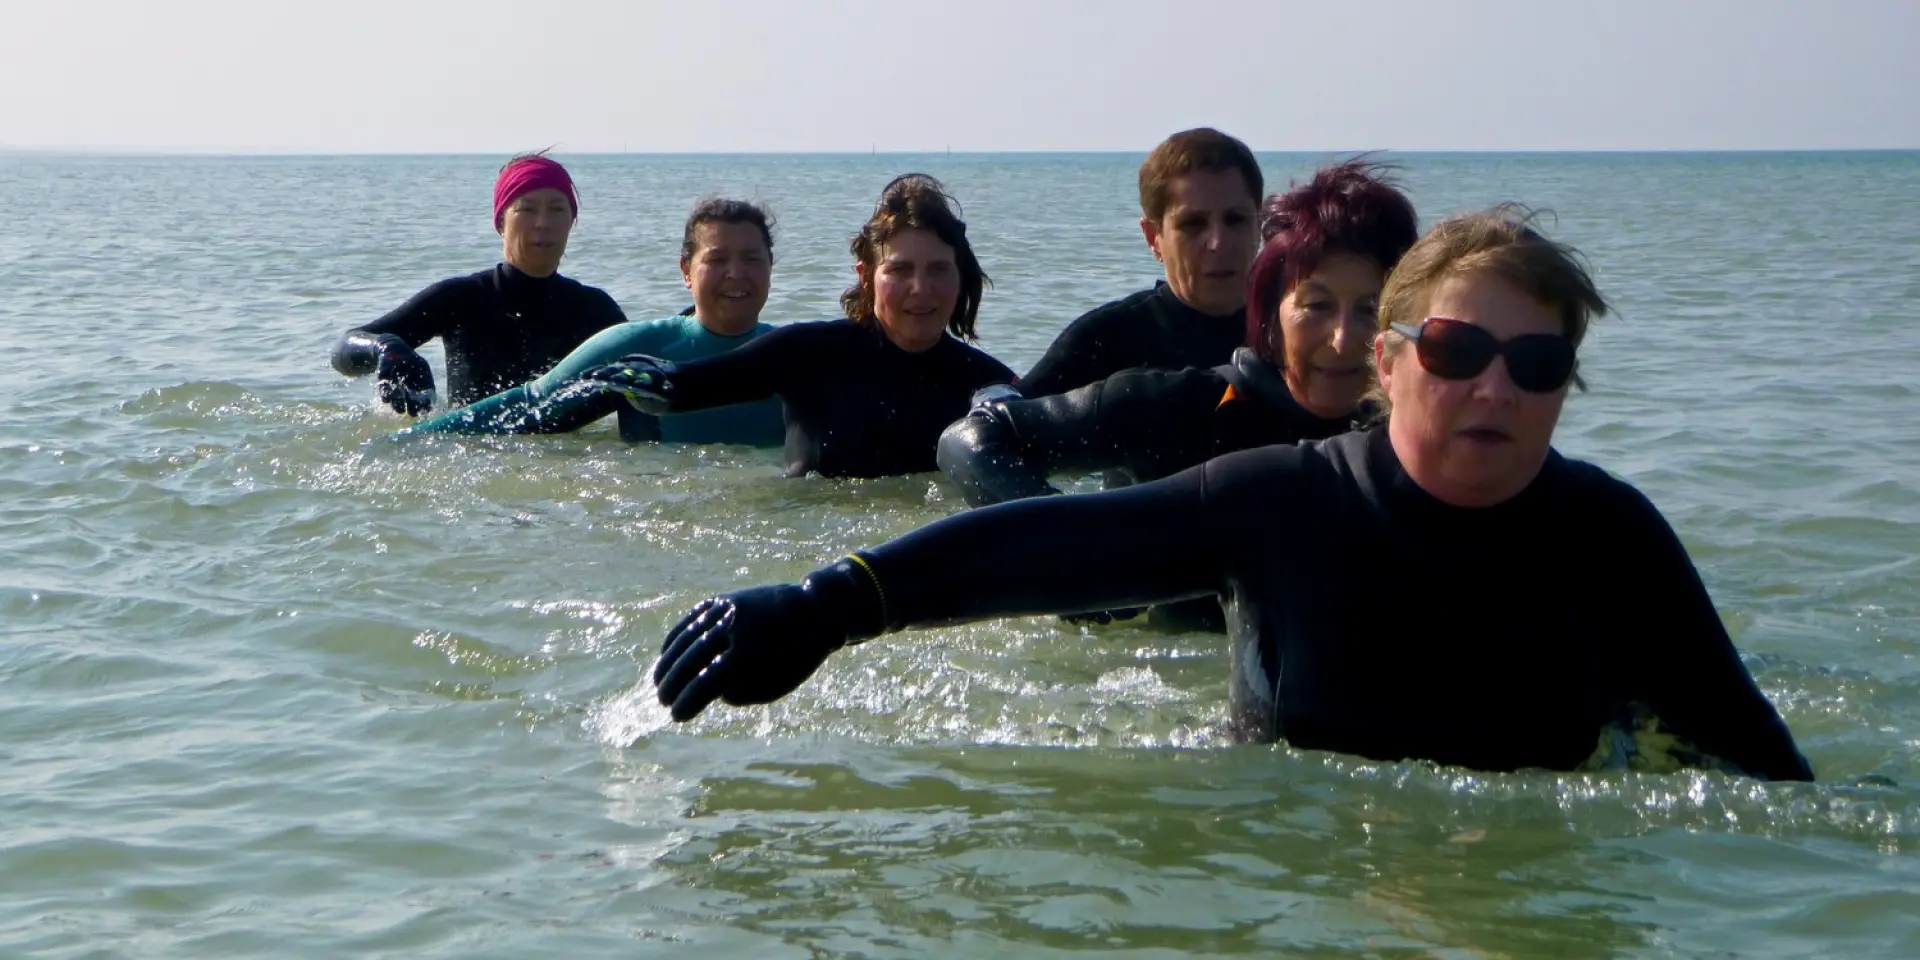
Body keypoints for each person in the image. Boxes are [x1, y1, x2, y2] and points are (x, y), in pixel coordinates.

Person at [644, 205, 1815, 782]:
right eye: (1458, 352)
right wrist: (823, 602)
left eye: (1538, 364)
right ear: (1393, 361)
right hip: (1277, 866)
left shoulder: (1609, 536)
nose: (1495, 388)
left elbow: (1762, 770)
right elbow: (1043, 548)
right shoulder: (1279, 502)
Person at [938, 159, 1420, 630]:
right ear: (1270, 312)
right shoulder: (1176, 404)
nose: (1341, 340)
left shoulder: (1424, 432)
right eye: (1316, 305)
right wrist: (1078, 555)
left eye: (1369, 309)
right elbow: (969, 440)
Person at [575, 174, 1017, 479]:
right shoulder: (810, 354)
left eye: (938, 270)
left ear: (960, 278)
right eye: (900, 270)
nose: (921, 289)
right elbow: (698, 383)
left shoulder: (986, 384)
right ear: (867, 277)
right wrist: (651, 382)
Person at [396, 198, 785, 445]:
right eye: (716, 260)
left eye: (752, 259)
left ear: (770, 267)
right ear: (686, 270)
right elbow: (531, 403)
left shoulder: (798, 354)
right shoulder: (639, 348)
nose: (736, 273)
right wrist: (407, 442)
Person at [329, 152, 627, 414]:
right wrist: (385, 348)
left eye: (557, 209)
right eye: (526, 209)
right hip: (472, 453)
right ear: (500, 223)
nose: (543, 222)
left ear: (572, 221)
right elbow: (344, 351)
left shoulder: (594, 310)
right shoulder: (462, 298)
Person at [1016, 127, 1265, 400]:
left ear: (1259, 223)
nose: (1218, 242)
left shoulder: (1290, 333)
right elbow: (995, 428)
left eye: (1236, 219)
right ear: (1153, 237)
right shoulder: (1104, 343)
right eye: (1193, 224)